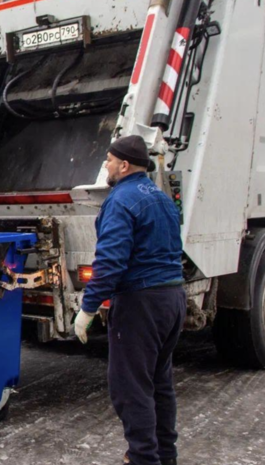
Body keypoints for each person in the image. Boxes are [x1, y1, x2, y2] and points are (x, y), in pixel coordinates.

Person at [74, 135, 185, 465]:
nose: (105, 165)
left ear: (123, 165)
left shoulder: (121, 200)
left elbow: (110, 262)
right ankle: (165, 456)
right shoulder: (162, 198)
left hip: (141, 304)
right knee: (159, 384)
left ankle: (142, 459)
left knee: (131, 389)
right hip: (172, 299)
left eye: (108, 159)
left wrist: (88, 308)